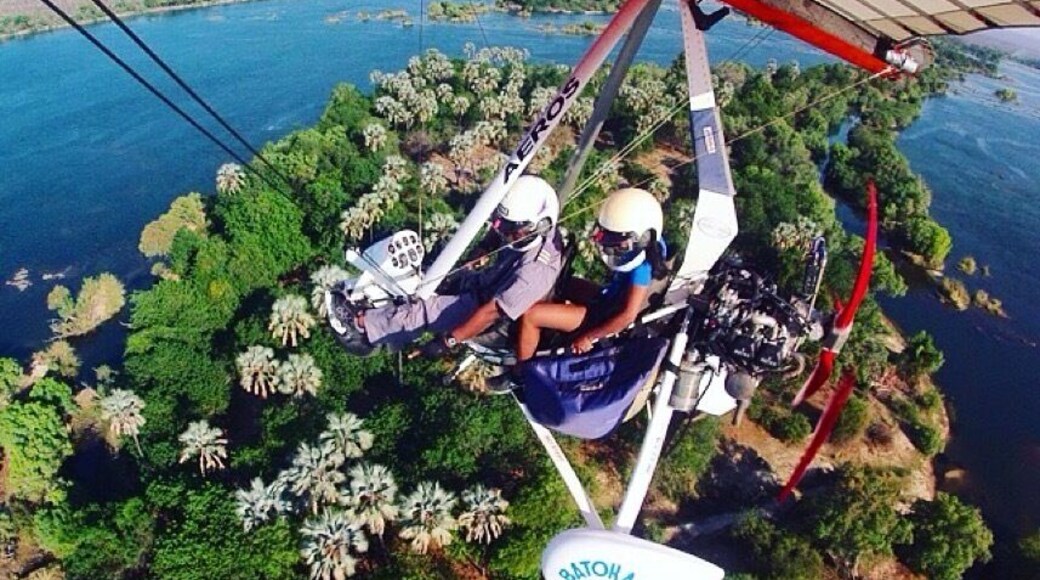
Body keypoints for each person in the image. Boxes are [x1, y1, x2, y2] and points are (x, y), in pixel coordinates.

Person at [326, 175, 564, 358]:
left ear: (540, 225)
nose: (507, 234)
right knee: (433, 276)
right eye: (505, 226)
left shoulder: (535, 271)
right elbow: (498, 232)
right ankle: (381, 304)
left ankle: (360, 328)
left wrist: (447, 342)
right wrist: (481, 250)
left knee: (421, 310)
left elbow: (491, 312)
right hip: (487, 284)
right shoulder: (527, 230)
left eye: (513, 230)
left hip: (493, 319)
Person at [512, 187, 668, 367]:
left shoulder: (642, 268)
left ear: (643, 238)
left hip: (602, 315)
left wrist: (589, 337)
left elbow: (627, 315)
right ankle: (542, 333)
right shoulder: (652, 245)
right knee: (561, 283)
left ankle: (521, 372)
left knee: (532, 314)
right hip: (607, 297)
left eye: (617, 242)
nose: (611, 246)